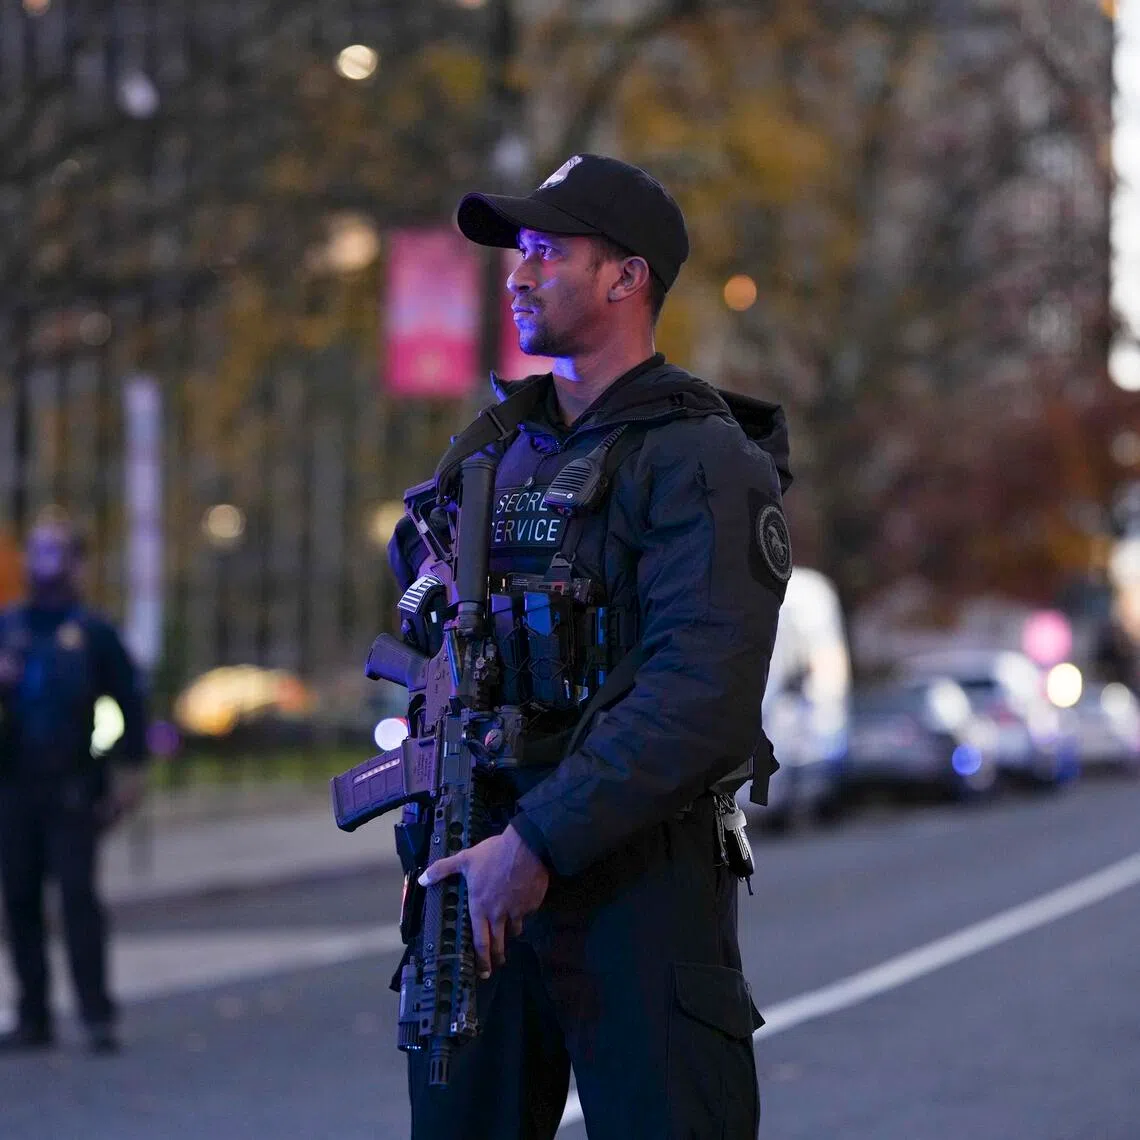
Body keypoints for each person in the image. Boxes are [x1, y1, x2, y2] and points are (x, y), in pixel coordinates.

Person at [388, 154, 792, 1138]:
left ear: (627, 277)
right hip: (477, 878)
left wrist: (537, 843)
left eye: (546, 253)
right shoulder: (487, 457)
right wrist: (430, 820)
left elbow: (699, 696)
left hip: (637, 888)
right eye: (517, 254)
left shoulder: (700, 459)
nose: (517, 275)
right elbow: (429, 650)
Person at [0, 511, 149, 1054]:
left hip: (72, 784)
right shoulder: (9, 627)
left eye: (55, 550)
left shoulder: (92, 632)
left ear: (77, 564)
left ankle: (95, 1013)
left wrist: (128, 774)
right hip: (14, 784)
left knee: (77, 898)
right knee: (18, 899)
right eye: (36, 550)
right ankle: (32, 1014)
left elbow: (130, 703)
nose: (43, 562)